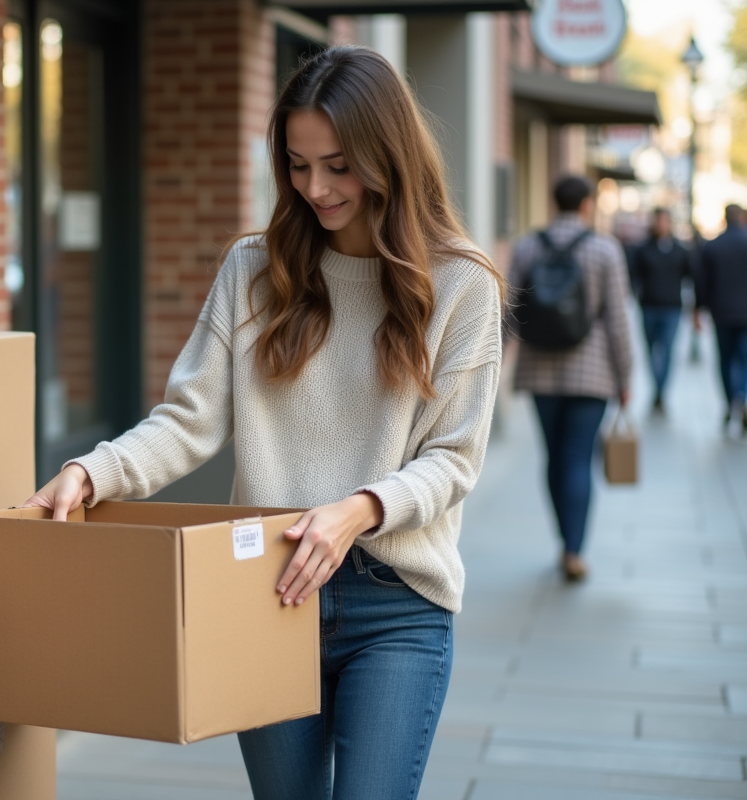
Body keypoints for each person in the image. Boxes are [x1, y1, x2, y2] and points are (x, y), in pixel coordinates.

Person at [26, 46, 504, 800]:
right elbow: (189, 419)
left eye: (339, 166)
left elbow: (453, 458)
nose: (315, 188)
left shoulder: (459, 284)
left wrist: (358, 510)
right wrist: (94, 471)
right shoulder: (255, 268)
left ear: (389, 157)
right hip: (267, 591)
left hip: (397, 605)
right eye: (298, 164)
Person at [508, 175, 633, 582]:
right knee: (578, 457)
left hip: (539, 369)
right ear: (586, 205)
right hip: (592, 371)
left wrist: (494, 363)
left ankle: (564, 537)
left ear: (553, 202)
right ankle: (574, 549)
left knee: (554, 457)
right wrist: (625, 376)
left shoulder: (527, 246)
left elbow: (510, 310)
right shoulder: (605, 249)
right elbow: (617, 320)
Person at [629, 208, 692, 412]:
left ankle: (661, 392)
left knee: (667, 351)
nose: (661, 225)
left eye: (665, 221)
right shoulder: (643, 249)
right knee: (651, 351)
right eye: (658, 221)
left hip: (672, 308)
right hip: (649, 307)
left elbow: (690, 274)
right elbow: (633, 276)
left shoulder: (680, 250)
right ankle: (656, 387)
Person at [697, 204, 747, 433]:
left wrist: (698, 309)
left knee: (725, 360)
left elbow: (702, 282)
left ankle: (730, 401)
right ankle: (741, 396)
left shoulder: (713, 246)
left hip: (722, 313)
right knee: (744, 359)